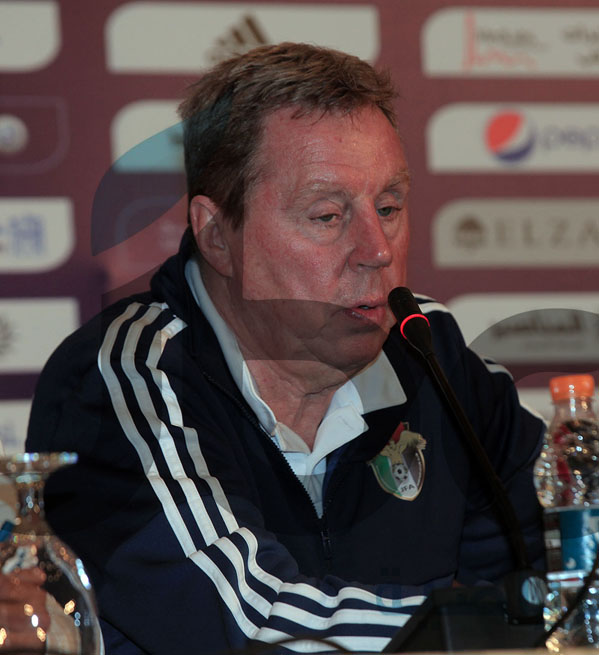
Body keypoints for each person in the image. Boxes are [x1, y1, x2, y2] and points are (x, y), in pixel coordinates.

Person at [26, 42, 545, 654]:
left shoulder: (430, 351)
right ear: (218, 236)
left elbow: (564, 570)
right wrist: (479, 630)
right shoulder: (124, 377)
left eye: (389, 207)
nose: (377, 250)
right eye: (327, 216)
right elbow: (251, 625)